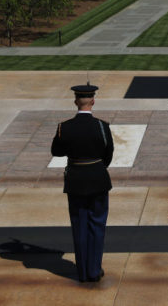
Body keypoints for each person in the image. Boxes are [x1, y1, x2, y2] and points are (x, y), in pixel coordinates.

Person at [51, 82, 114, 283]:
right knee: (97, 225)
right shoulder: (102, 127)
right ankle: (94, 270)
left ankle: (83, 272)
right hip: (97, 179)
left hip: (76, 180)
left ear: (75, 101)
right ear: (93, 101)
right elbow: (108, 154)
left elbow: (56, 151)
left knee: (79, 225)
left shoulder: (65, 127)